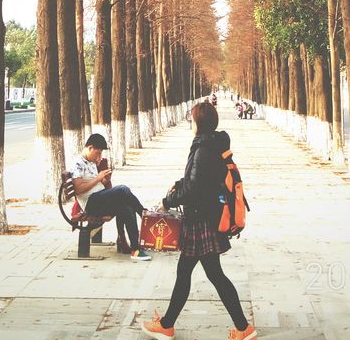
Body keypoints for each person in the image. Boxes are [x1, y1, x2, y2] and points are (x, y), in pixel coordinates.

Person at [141, 100, 256, 340]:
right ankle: (170, 324)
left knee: (201, 274)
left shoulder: (202, 147)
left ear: (198, 122)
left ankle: (241, 328)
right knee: (201, 273)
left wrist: (168, 201)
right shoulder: (211, 144)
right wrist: (180, 183)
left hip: (201, 219)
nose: (190, 122)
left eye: (192, 119)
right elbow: (202, 179)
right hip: (205, 217)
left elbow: (195, 188)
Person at [70, 132, 150, 261]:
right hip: (91, 203)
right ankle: (144, 214)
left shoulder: (90, 161)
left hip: (100, 199)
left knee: (127, 207)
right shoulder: (78, 164)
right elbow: (79, 189)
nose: (99, 156)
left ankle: (136, 249)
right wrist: (98, 178)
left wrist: (105, 180)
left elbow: (95, 184)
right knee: (123, 189)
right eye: (97, 153)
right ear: (90, 148)